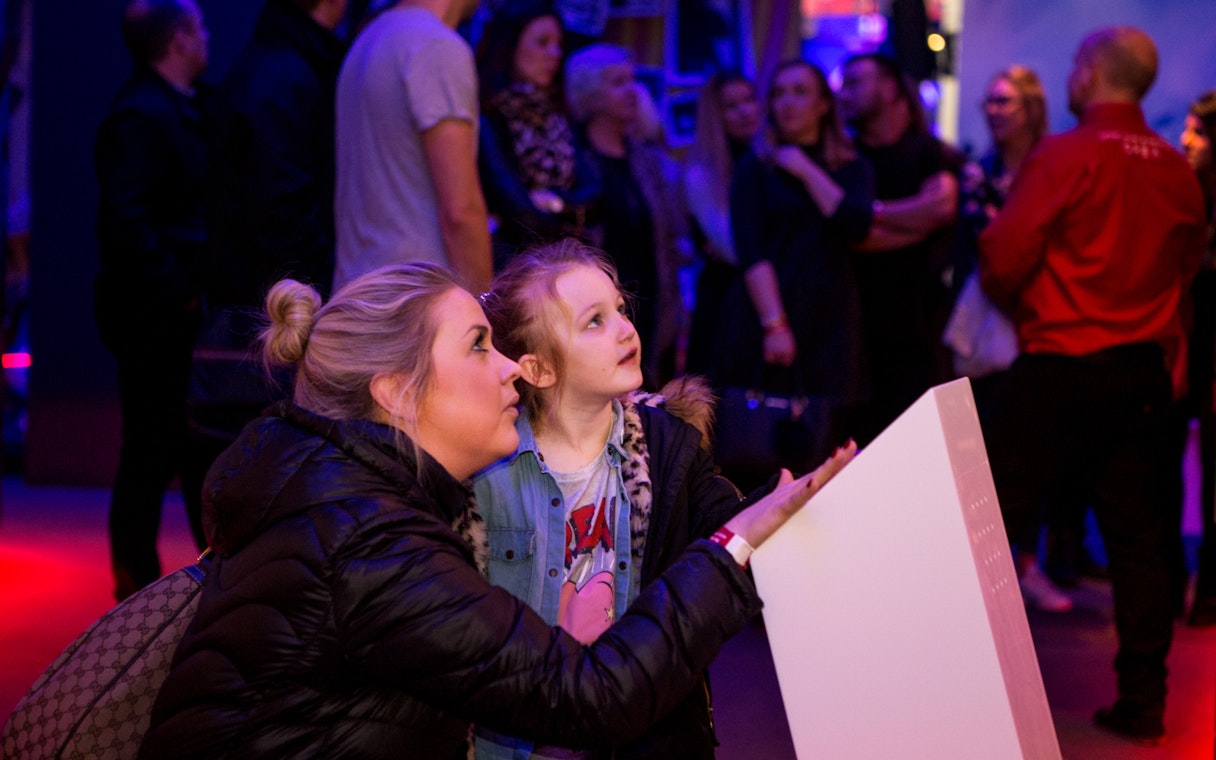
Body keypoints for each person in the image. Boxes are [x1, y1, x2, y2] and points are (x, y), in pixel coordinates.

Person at [138, 261, 855, 758]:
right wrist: (732, 546)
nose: (508, 364)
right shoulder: (372, 547)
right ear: (397, 392)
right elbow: (591, 695)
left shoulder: (337, 494)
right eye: (478, 345)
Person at [978, 27, 1207, 745]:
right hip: (1138, 374)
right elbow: (1185, 273)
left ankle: (964, 693)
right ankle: (1143, 701)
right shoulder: (1177, 169)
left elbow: (1004, 252)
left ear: (1089, 72)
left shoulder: (1066, 154)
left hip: (1058, 365)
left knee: (987, 525)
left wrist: (1026, 305)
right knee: (1140, 541)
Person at [473, 240, 765, 759]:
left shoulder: (668, 446)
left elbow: (730, 528)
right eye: (595, 322)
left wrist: (785, 502)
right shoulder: (489, 466)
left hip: (642, 732)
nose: (626, 329)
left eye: (620, 310)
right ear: (537, 370)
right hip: (521, 738)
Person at [185, 0, 348, 543]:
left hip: (256, 304)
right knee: (266, 492)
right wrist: (315, 302)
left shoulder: (274, 64)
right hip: (270, 314)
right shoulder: (285, 74)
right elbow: (283, 207)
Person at [94, 0, 211, 600]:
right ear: (179, 41)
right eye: (200, 27)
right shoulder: (142, 116)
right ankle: (134, 585)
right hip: (153, 314)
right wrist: (180, 292)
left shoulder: (169, 109)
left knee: (176, 443)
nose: (209, 36)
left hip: (165, 308)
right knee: (150, 446)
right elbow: (126, 218)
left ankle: (182, 581)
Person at [712, 59, 873, 489]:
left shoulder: (850, 164)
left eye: (800, 92)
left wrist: (803, 168)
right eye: (779, 93)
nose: (787, 102)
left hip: (830, 315)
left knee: (826, 447)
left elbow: (854, 223)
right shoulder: (755, 167)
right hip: (767, 311)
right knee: (763, 446)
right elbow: (752, 250)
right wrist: (774, 324)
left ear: (824, 103)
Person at [837, 52, 960, 445]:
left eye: (855, 82)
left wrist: (868, 213)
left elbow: (941, 206)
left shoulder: (929, 151)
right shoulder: (844, 158)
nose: (844, 93)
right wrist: (913, 224)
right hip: (854, 336)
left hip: (920, 331)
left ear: (889, 88)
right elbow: (851, 236)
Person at [333, 0, 492, 292]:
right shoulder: (435, 46)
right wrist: (484, 314)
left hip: (356, 299)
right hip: (415, 305)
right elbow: (460, 212)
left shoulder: (368, 39)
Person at [565, 43, 690, 387]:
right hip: (594, 307)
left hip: (652, 302)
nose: (632, 92)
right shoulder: (572, 158)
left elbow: (667, 240)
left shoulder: (647, 160)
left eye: (632, 81)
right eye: (618, 82)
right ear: (591, 93)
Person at [475, 0, 597, 267]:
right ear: (510, 46)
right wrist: (565, 218)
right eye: (542, 42)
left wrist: (555, 204)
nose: (554, 53)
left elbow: (595, 195)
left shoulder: (561, 116)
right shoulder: (489, 118)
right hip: (514, 263)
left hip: (566, 258)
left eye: (558, 44)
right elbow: (515, 207)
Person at [682, 70, 760, 377]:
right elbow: (734, 249)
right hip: (725, 303)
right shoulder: (702, 172)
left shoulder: (768, 159)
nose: (745, 111)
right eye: (731, 106)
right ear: (715, 115)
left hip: (756, 298)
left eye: (750, 100)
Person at [1179, 89, 1216, 629]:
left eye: (1200, 131)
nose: (1186, 139)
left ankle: (1209, 586)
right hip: (1184, 354)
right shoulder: (1185, 197)